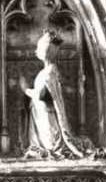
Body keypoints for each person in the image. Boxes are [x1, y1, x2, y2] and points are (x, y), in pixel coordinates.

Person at [20, 30, 94, 159]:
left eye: (40, 47)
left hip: (46, 114)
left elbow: (41, 95)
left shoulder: (50, 71)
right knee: (43, 144)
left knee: (52, 145)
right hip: (39, 114)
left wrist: (25, 89)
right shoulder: (46, 71)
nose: (37, 50)